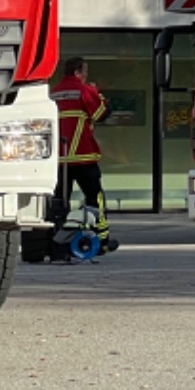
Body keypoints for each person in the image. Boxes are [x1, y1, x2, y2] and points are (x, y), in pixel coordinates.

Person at [51, 57, 117, 257]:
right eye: (85, 72)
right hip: (83, 156)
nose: (86, 75)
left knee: (59, 202)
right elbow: (101, 114)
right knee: (95, 198)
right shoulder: (84, 90)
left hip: (59, 159)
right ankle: (102, 241)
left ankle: (59, 243)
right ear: (78, 72)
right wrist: (98, 94)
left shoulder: (53, 93)